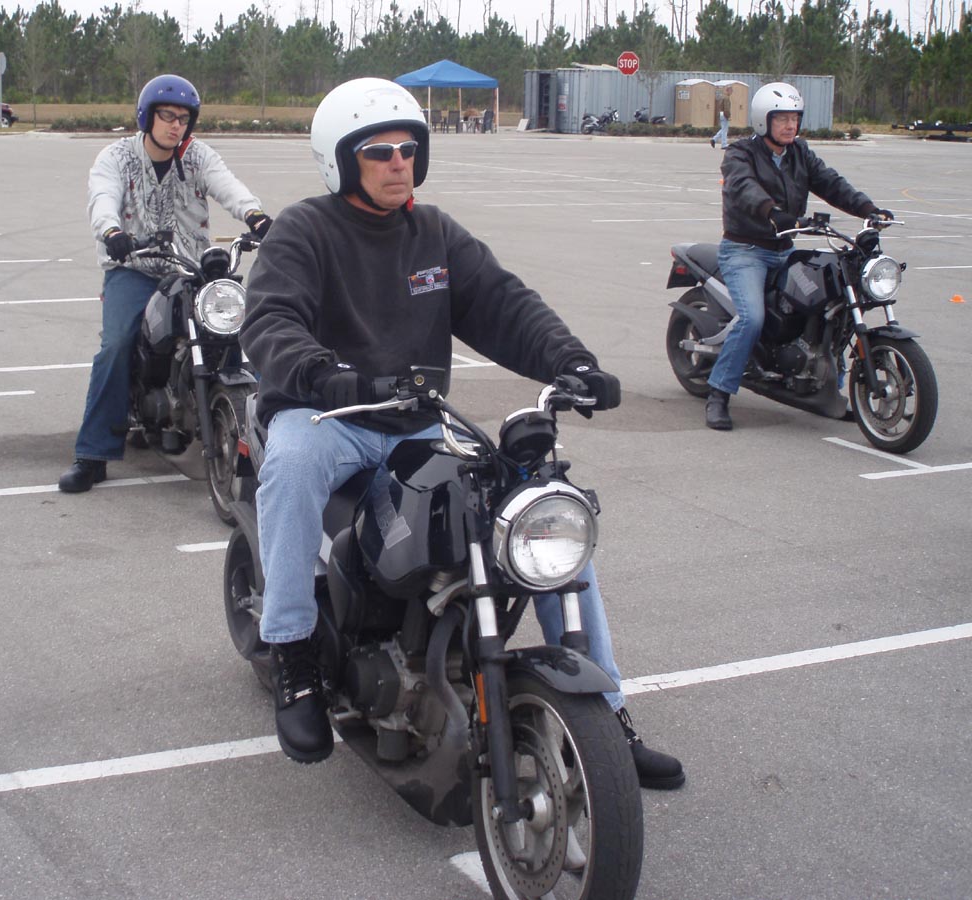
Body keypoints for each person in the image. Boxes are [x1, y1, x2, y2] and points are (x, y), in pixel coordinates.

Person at [240, 77, 684, 790]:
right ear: (341, 160)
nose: (399, 162)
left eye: (408, 148)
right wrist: (323, 374)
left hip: (417, 422)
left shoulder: (435, 234)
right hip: (328, 415)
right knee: (290, 466)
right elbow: (270, 319)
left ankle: (605, 712)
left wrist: (571, 361)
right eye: (380, 151)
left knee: (537, 503)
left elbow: (503, 303)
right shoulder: (304, 230)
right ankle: (292, 656)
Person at [58, 74, 273, 492]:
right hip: (133, 267)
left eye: (183, 119)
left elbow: (227, 185)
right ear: (147, 116)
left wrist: (255, 216)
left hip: (189, 266)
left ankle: (271, 439)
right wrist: (111, 231)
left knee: (239, 332)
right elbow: (102, 196)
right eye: (167, 116)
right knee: (116, 345)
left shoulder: (197, 156)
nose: (176, 125)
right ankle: (93, 454)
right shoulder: (117, 157)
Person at [705, 81, 892, 431]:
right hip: (745, 250)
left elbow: (830, 182)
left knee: (830, 305)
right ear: (763, 120)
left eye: (794, 118)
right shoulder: (740, 154)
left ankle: (828, 389)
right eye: (782, 119)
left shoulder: (800, 153)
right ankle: (719, 393)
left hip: (784, 249)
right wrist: (772, 212)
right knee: (752, 319)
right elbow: (744, 187)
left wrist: (868, 209)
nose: (790, 125)